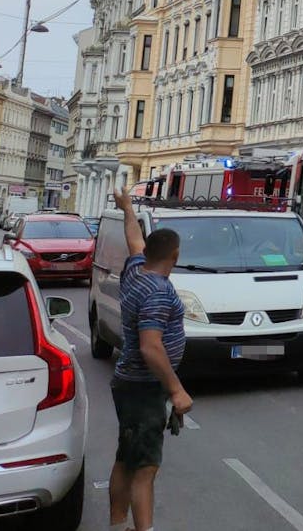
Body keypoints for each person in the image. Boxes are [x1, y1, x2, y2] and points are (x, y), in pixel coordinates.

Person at [108, 190, 190, 531]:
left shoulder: (137, 271)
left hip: (131, 384)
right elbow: (150, 347)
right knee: (144, 469)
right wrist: (176, 390)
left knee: (127, 459)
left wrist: (128, 208)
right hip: (142, 388)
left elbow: (134, 240)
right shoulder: (157, 289)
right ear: (175, 255)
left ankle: (117, 525)